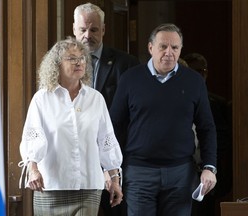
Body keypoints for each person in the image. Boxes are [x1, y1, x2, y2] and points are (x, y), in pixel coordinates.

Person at [109, 23, 217, 216]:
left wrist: (209, 167)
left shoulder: (194, 82)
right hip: (139, 171)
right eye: (163, 46)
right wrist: (111, 169)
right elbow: (113, 126)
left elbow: (206, 128)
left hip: (180, 173)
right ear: (150, 48)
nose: (169, 52)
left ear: (181, 49)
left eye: (175, 48)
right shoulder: (130, 79)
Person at [18, 37, 123, 216]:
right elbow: (32, 137)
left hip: (88, 186)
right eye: (72, 58)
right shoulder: (42, 99)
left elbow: (106, 140)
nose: (79, 62)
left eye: (82, 58)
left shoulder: (95, 98)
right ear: (57, 64)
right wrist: (33, 170)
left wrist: (114, 179)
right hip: (50, 186)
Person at [72, 3, 140, 216]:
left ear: (103, 30)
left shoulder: (126, 64)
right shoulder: (61, 65)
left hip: (114, 162)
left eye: (93, 30)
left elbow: (134, 116)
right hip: (75, 163)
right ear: (74, 29)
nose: (87, 35)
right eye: (83, 29)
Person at [184, 52, 232, 216]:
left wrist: (209, 164)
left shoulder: (217, 104)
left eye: (201, 71)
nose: (198, 76)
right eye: (193, 72)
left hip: (205, 172)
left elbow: (224, 139)